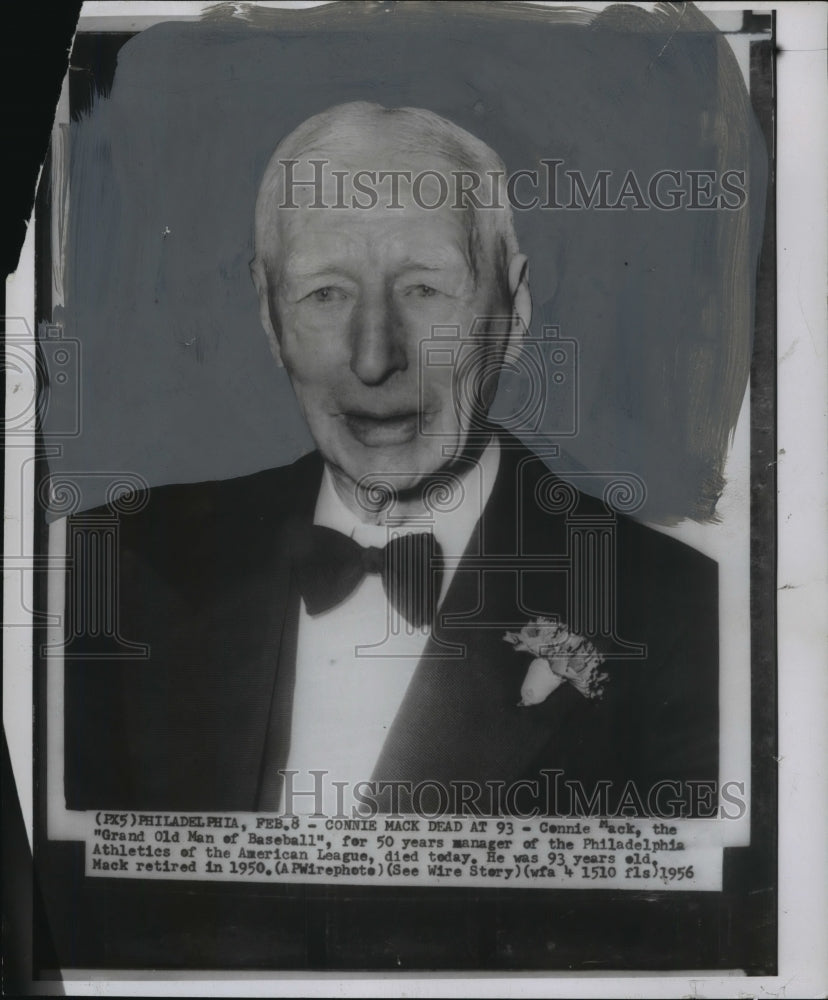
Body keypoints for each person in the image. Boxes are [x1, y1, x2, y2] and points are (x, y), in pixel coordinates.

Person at [64, 102, 718, 818]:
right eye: (325, 293)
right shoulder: (112, 569)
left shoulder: (682, 615)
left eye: (424, 289)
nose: (374, 358)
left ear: (516, 307)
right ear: (267, 314)